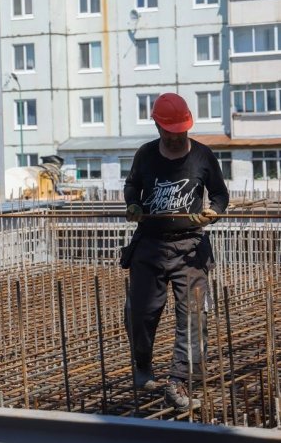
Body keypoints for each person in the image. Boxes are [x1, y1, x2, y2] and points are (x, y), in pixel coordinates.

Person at [122, 92, 229, 411]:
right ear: (157, 126)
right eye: (169, 130)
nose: (175, 135)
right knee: (140, 313)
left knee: (195, 316)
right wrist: (133, 204)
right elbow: (131, 186)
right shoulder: (145, 155)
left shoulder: (203, 156)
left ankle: (178, 381)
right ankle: (142, 366)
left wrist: (213, 212)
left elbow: (221, 195)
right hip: (149, 245)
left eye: (180, 130)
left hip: (190, 248)